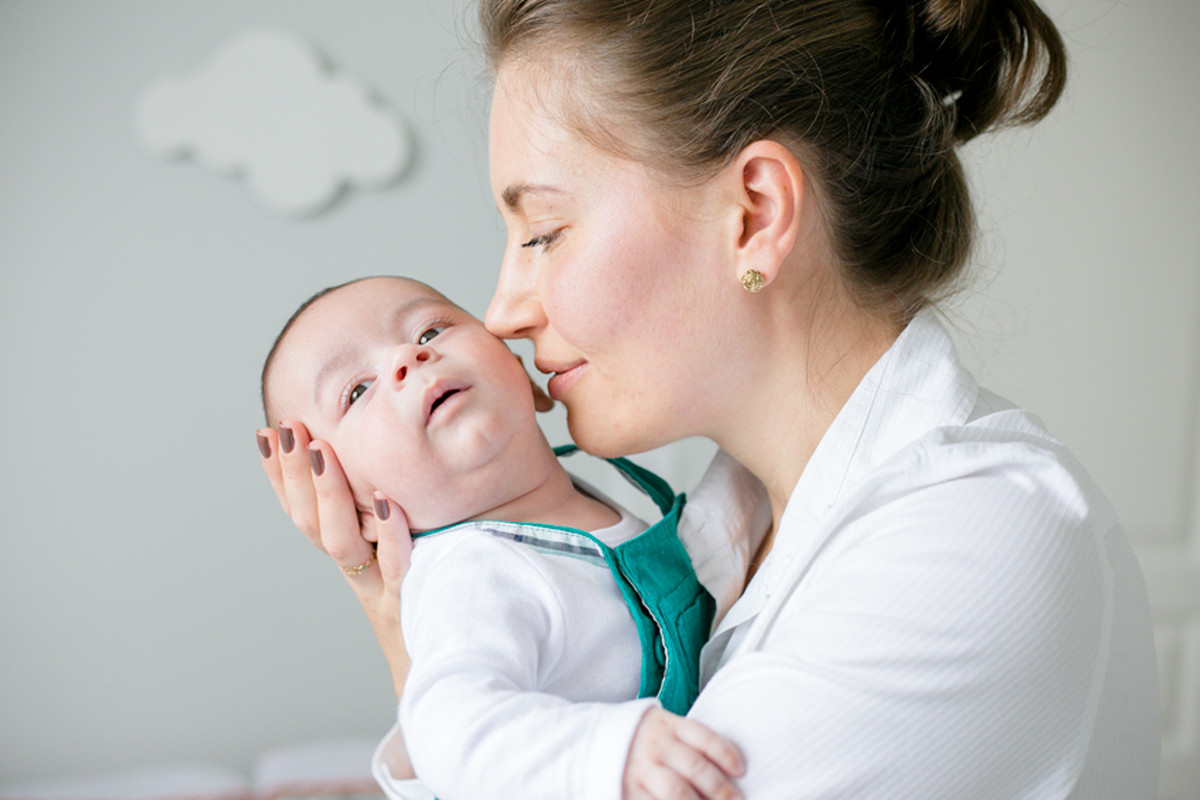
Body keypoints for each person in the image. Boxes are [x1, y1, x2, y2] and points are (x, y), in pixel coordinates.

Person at [258, 0, 1162, 797]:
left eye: (545, 232)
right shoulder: (704, 517)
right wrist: (403, 612)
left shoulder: (978, 537)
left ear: (754, 214)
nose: (501, 312)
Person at [258, 276, 761, 800]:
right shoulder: (472, 570)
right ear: (352, 505)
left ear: (518, 367)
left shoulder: (607, 484)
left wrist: (762, 452)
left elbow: (707, 552)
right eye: (357, 390)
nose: (407, 358)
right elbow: (450, 728)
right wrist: (607, 752)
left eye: (431, 331)